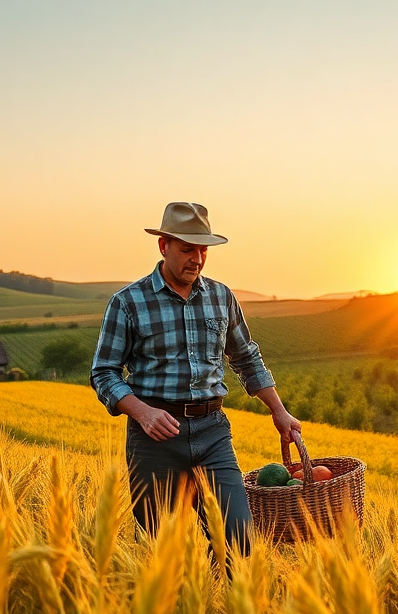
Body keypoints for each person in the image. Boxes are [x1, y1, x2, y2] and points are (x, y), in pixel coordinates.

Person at [91, 201, 301, 555]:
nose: (197, 259)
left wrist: (279, 411)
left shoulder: (221, 297)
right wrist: (142, 412)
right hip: (155, 438)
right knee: (159, 551)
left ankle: (223, 604)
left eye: (203, 250)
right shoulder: (128, 302)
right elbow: (104, 372)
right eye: (187, 249)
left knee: (239, 541)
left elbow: (246, 357)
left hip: (212, 431)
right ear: (164, 246)